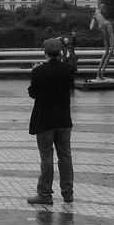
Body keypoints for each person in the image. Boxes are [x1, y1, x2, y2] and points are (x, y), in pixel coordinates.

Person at [26, 38, 76, 205]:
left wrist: (35, 72)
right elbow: (69, 88)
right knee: (65, 156)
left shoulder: (39, 71)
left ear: (45, 53)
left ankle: (45, 193)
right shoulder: (69, 70)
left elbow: (33, 93)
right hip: (63, 119)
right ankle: (68, 193)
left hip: (45, 120)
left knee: (46, 157)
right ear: (60, 53)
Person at [89, 5, 114, 81]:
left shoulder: (96, 14)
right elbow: (91, 27)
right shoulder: (98, 13)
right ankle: (101, 75)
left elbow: (91, 27)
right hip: (107, 28)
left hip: (103, 29)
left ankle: (99, 75)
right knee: (111, 51)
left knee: (107, 51)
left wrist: (94, 19)